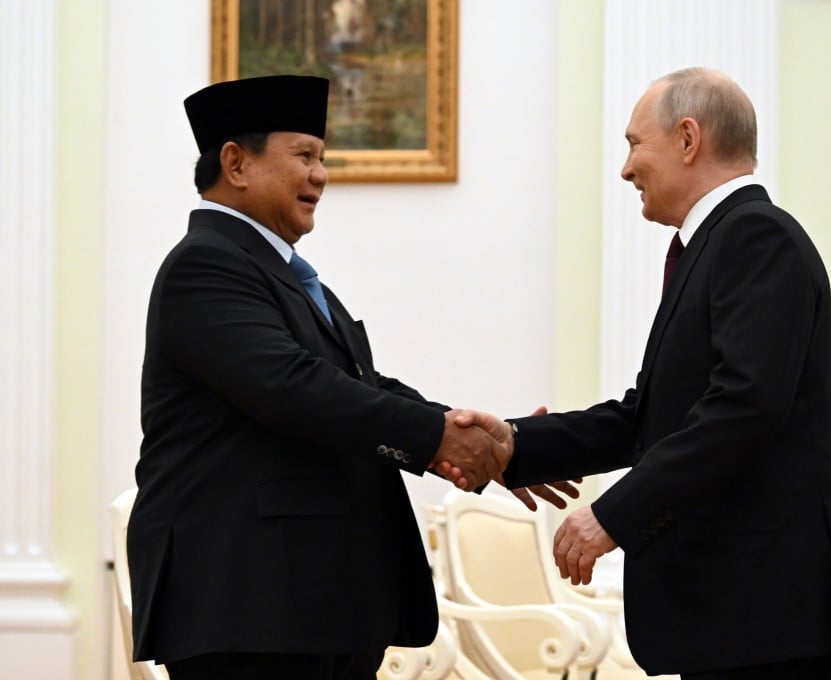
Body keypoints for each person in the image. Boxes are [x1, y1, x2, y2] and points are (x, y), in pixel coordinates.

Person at [454, 67, 831, 678]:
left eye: (633, 144)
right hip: (735, 611)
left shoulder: (756, 237)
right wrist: (517, 445)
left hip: (766, 607)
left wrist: (613, 516)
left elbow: (743, 409)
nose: (626, 169)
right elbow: (647, 416)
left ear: (687, 139)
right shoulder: (713, 245)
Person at [127, 74, 540, 680]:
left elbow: (358, 382)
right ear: (236, 163)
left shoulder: (276, 270)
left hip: (312, 603)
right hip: (251, 604)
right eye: (304, 156)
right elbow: (296, 388)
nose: (321, 175)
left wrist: (493, 440)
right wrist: (443, 441)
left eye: (322, 158)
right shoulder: (206, 264)